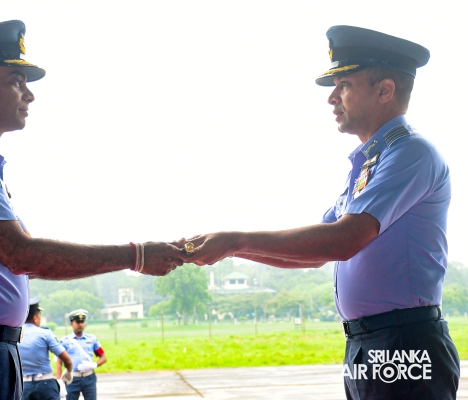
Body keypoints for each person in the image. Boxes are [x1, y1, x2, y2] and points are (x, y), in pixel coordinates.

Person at [0, 20, 185, 400]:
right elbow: (22, 255)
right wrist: (138, 256)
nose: (29, 95)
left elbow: (21, 260)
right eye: (17, 80)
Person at [184, 25, 460, 399]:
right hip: (369, 341)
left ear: (384, 90)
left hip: (403, 339)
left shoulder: (410, 153)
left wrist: (235, 240)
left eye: (344, 84)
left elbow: (343, 240)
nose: (332, 98)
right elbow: (318, 252)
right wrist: (229, 249)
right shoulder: (370, 163)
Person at [19, 298, 74, 400]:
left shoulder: (15, 335)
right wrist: (69, 371)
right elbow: (67, 359)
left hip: (23, 386)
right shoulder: (45, 333)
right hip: (45, 385)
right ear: (35, 318)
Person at [56, 309, 106, 400]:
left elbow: (103, 357)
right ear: (71, 323)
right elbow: (59, 362)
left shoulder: (92, 339)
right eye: (77, 322)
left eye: (82, 322)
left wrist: (94, 365)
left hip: (89, 378)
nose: (80, 324)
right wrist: (59, 381)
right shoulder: (65, 341)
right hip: (72, 378)